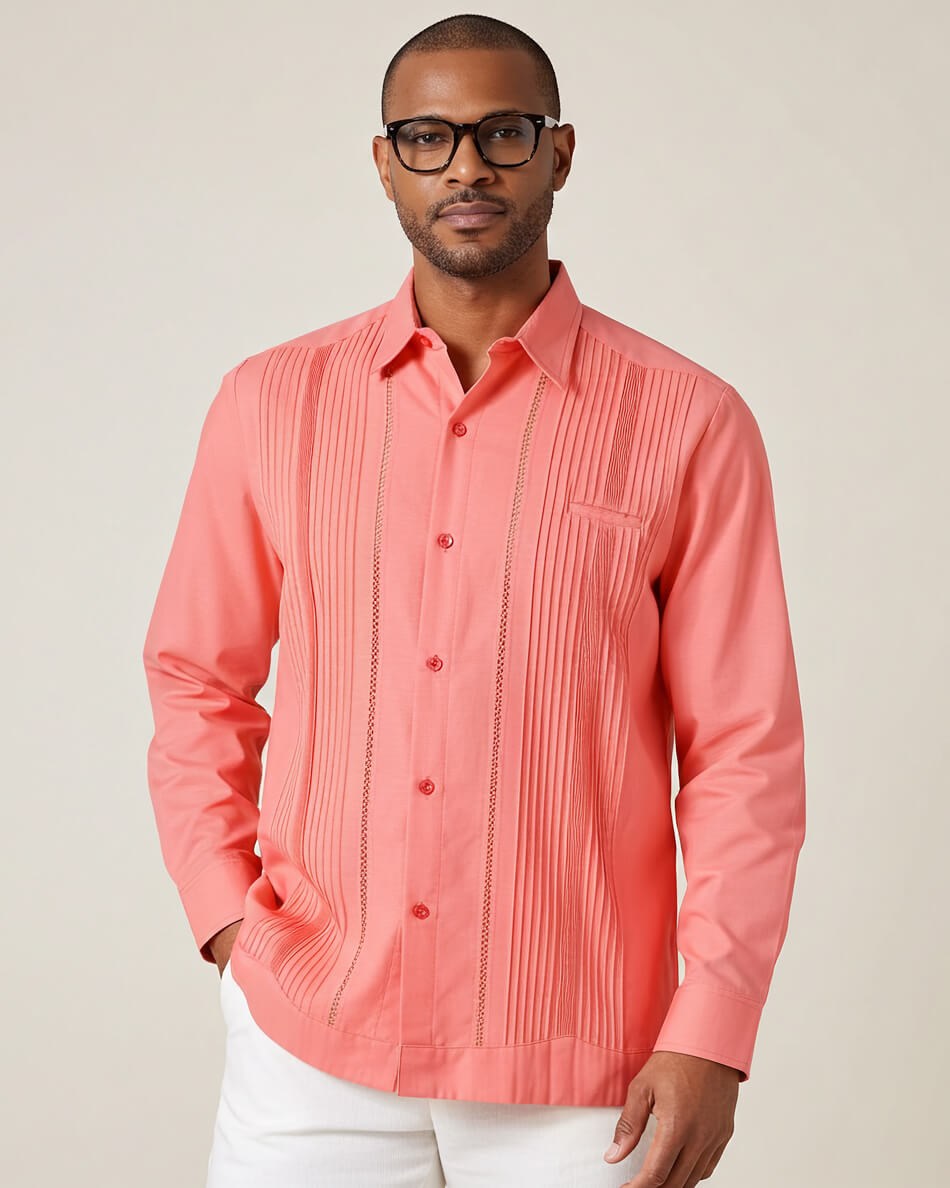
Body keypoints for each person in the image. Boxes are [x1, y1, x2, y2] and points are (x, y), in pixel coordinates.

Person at [142, 14, 806, 1188]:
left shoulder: (688, 422)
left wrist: (712, 1028)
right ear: (384, 162)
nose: (466, 167)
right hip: (311, 1042)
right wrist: (229, 922)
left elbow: (742, 754)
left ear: (559, 152)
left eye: (502, 133)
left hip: (584, 1065)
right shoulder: (269, 402)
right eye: (427, 136)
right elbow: (196, 675)